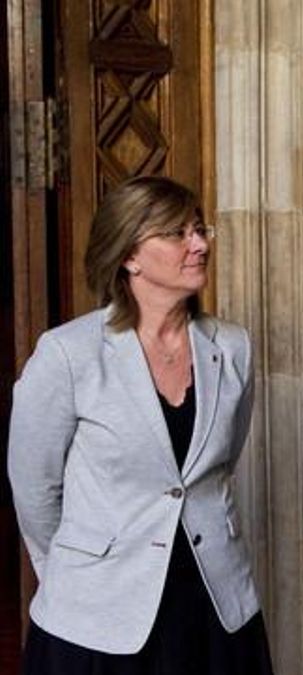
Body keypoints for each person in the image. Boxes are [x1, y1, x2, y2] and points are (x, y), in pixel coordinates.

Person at [7, 176, 272, 674]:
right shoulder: (68, 354)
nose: (199, 244)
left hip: (214, 605)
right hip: (97, 613)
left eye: (200, 229)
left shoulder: (233, 347)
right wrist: (77, 572)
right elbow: (34, 489)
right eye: (177, 234)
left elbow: (216, 468)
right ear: (129, 255)